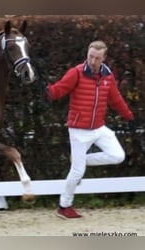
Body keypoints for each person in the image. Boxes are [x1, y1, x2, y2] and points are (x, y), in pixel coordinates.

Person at [46, 40, 136, 219]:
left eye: (97, 58)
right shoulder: (76, 73)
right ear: (87, 54)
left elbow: (115, 99)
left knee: (118, 156)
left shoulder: (107, 76)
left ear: (104, 58)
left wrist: (129, 117)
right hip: (78, 130)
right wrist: (48, 91)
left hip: (99, 127)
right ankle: (64, 206)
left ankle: (80, 159)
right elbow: (59, 90)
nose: (93, 61)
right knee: (77, 171)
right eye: (90, 57)